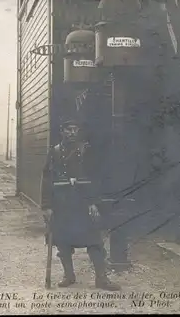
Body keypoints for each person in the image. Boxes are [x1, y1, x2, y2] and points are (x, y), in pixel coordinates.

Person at [40, 118, 120, 291]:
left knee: (94, 241)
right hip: (62, 205)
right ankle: (69, 275)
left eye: (75, 129)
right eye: (68, 129)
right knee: (62, 241)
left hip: (83, 202)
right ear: (62, 132)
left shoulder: (86, 151)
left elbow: (95, 179)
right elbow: (47, 180)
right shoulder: (54, 152)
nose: (72, 133)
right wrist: (46, 206)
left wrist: (93, 203)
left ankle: (102, 278)